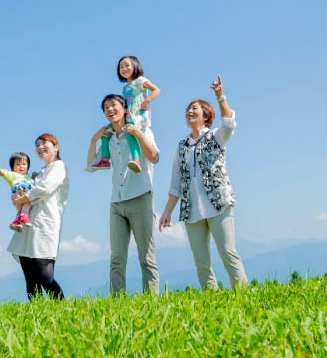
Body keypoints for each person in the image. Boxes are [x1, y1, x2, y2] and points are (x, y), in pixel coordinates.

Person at [159, 76, 247, 289]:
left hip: (218, 204)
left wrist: (220, 96)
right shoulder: (181, 146)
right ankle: (212, 301)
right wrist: (167, 212)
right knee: (201, 263)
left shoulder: (216, 136)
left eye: (195, 108)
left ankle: (244, 295)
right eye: (188, 109)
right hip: (192, 211)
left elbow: (229, 122)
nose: (190, 111)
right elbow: (176, 182)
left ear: (206, 116)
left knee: (228, 253)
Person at [87, 94, 160, 294]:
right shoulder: (109, 139)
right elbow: (91, 165)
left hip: (140, 196)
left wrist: (139, 134)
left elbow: (154, 157)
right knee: (117, 258)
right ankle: (118, 303)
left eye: (114, 105)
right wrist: (94, 140)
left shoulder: (142, 129)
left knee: (146, 256)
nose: (110, 109)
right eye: (106, 107)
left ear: (125, 108)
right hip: (117, 202)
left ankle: (152, 301)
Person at [7, 133, 69, 300]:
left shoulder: (58, 166)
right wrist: (17, 198)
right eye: (37, 144)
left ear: (56, 147)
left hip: (44, 225)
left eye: (44, 143)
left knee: (45, 277)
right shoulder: (40, 172)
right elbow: (24, 194)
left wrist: (22, 199)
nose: (40, 147)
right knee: (31, 279)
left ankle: (63, 309)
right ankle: (37, 315)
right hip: (27, 225)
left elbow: (44, 189)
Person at [90, 56, 160, 172]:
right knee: (106, 132)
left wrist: (147, 101)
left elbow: (156, 90)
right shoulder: (125, 88)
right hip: (129, 116)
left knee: (130, 136)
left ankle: (136, 160)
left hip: (138, 117)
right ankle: (105, 160)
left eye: (127, 65)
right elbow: (126, 103)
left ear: (135, 66)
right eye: (121, 67)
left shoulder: (141, 80)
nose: (124, 68)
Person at [0, 152, 35, 231]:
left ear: (28, 166)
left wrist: (34, 176)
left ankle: (16, 222)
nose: (21, 166)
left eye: (24, 164)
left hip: (25, 193)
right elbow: (5, 173)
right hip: (18, 193)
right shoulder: (12, 175)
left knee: (22, 207)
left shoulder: (28, 176)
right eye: (18, 164)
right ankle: (23, 216)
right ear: (13, 167)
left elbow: (34, 182)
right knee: (27, 203)